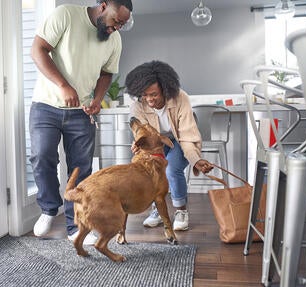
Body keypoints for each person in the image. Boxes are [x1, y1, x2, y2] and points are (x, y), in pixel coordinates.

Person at [30, 0, 133, 245]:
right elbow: (38, 50)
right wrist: (63, 85)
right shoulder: (65, 15)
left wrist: (97, 100)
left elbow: (107, 73)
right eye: (115, 21)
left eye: (122, 24)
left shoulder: (114, 40)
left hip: (82, 112)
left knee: (82, 170)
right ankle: (48, 208)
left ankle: (75, 226)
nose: (116, 27)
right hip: (46, 105)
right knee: (42, 156)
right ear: (103, 5)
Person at [125, 60, 214, 231]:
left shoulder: (180, 98)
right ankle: (158, 209)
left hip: (179, 140)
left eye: (154, 94)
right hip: (154, 143)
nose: (149, 99)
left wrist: (195, 160)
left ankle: (181, 211)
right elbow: (142, 132)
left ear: (165, 90)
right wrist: (138, 144)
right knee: (149, 170)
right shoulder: (138, 106)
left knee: (172, 169)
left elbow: (187, 134)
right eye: (145, 95)